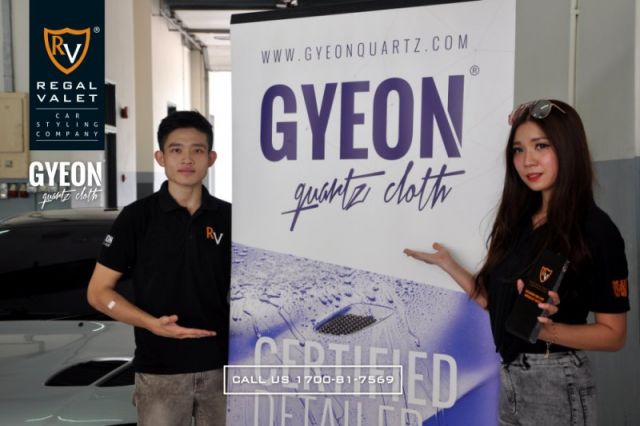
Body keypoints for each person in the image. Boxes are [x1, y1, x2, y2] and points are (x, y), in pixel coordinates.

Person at [404, 100, 629, 425]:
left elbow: (613, 335)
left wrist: (548, 330)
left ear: (568, 148)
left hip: (556, 381)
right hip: (511, 378)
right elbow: (496, 306)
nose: (528, 161)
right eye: (518, 150)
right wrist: (448, 264)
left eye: (541, 146)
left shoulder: (595, 229)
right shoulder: (521, 222)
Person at [87, 110, 231, 426]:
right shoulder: (136, 218)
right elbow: (98, 293)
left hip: (224, 368)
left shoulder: (229, 218)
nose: (187, 159)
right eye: (176, 149)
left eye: (197, 150)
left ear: (211, 158)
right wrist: (152, 324)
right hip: (160, 371)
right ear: (160, 157)